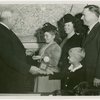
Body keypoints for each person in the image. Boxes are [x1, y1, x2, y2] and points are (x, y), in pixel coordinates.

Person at [0, 10, 46, 93]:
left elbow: (10, 49)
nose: (16, 22)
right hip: (9, 79)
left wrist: (24, 52)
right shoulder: (1, 32)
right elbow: (8, 57)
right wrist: (28, 68)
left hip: (13, 76)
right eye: (15, 19)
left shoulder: (5, 30)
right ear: (8, 19)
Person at [33, 23, 61, 93]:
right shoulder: (45, 45)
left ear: (53, 36)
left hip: (50, 75)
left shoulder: (56, 47)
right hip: (42, 72)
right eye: (44, 35)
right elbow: (43, 55)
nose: (45, 37)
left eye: (47, 36)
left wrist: (42, 58)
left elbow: (54, 62)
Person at [58, 14, 83, 90]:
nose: (66, 27)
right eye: (65, 25)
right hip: (62, 69)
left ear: (74, 26)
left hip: (70, 70)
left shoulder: (77, 39)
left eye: (68, 25)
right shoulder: (64, 39)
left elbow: (76, 58)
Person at [81, 5, 100, 88]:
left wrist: (98, 76)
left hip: (94, 77)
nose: (81, 18)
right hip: (86, 74)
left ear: (93, 15)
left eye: (84, 15)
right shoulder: (88, 31)